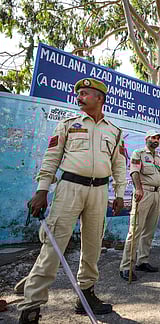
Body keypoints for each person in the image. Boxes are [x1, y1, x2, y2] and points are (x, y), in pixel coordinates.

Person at [18, 78, 127, 323]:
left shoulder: (114, 131)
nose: (79, 97)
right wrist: (42, 189)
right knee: (53, 245)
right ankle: (32, 306)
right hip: (69, 188)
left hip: (99, 192)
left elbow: (119, 165)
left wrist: (119, 193)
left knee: (93, 246)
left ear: (99, 98)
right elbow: (51, 159)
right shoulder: (68, 125)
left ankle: (86, 295)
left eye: (85, 93)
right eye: (79, 93)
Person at [119, 130, 160, 281]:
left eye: (158, 138)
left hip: (157, 194)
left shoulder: (158, 158)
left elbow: (159, 178)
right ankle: (126, 267)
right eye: (153, 137)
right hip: (143, 193)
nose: (156, 140)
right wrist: (138, 188)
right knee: (135, 230)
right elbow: (134, 172)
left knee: (149, 231)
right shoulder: (138, 153)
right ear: (147, 139)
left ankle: (142, 261)